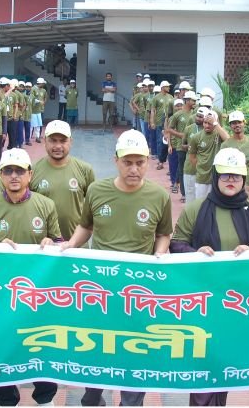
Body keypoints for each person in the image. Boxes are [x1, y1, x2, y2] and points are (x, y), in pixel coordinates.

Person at [61, 129, 171, 407]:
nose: (134, 169)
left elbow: (164, 233)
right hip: (101, 290)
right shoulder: (97, 191)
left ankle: (131, 401)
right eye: (127, 162)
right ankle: (94, 394)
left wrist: (159, 255)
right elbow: (86, 226)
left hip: (140, 291)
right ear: (116, 161)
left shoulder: (159, 196)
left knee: (137, 348)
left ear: (147, 161)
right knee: (99, 344)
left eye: (140, 162)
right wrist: (71, 244)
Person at [171, 148, 249, 406]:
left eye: (237, 177)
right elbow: (176, 244)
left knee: (226, 363)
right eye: (226, 175)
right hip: (203, 302)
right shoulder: (196, 209)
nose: (231, 181)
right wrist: (196, 252)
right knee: (204, 365)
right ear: (216, 177)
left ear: (243, 180)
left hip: (239, 303)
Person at [0, 148, 60, 407]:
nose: (14, 176)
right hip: (1, 295)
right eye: (8, 171)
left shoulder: (45, 205)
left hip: (37, 295)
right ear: (1, 176)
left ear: (29, 174)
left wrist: (51, 242)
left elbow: (59, 240)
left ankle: (45, 398)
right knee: (3, 347)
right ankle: (6, 399)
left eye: (19, 171)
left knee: (41, 345)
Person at [31, 121, 95, 241]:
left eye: (63, 141)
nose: (58, 146)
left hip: (76, 245)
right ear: (45, 141)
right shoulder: (32, 171)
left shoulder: (85, 170)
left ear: (71, 141)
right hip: (43, 246)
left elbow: (93, 207)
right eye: (53, 140)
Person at [189, 109, 230, 200]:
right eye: (205, 122)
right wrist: (201, 167)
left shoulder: (219, 135)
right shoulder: (196, 137)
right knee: (201, 203)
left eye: (210, 123)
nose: (207, 125)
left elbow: (228, 140)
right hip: (202, 178)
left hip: (218, 177)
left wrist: (216, 124)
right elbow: (192, 157)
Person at [168, 90, 197, 199]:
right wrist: (182, 135)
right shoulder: (178, 114)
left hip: (193, 147)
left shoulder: (195, 114)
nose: (194, 102)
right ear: (187, 100)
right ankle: (183, 193)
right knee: (182, 169)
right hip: (181, 146)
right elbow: (169, 129)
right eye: (193, 100)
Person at [182, 107, 208, 205]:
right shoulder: (189, 128)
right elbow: (182, 145)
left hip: (204, 170)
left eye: (201, 117)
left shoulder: (209, 131)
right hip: (190, 168)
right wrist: (190, 146)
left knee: (202, 200)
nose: (198, 118)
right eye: (197, 116)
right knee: (190, 196)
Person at [150, 81, 174, 169]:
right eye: (167, 86)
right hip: (159, 122)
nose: (169, 88)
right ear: (163, 87)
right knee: (160, 141)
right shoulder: (156, 98)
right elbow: (152, 110)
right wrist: (152, 122)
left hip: (169, 122)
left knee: (168, 141)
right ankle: (160, 161)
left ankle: (165, 158)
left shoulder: (171, 97)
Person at [31, 78, 48, 142]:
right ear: (40, 83)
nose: (43, 84)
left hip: (40, 110)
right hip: (33, 110)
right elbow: (32, 98)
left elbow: (45, 97)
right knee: (32, 125)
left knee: (39, 124)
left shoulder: (44, 90)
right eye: (43, 83)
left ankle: (38, 136)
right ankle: (30, 137)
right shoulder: (33, 89)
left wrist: (43, 102)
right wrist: (39, 101)